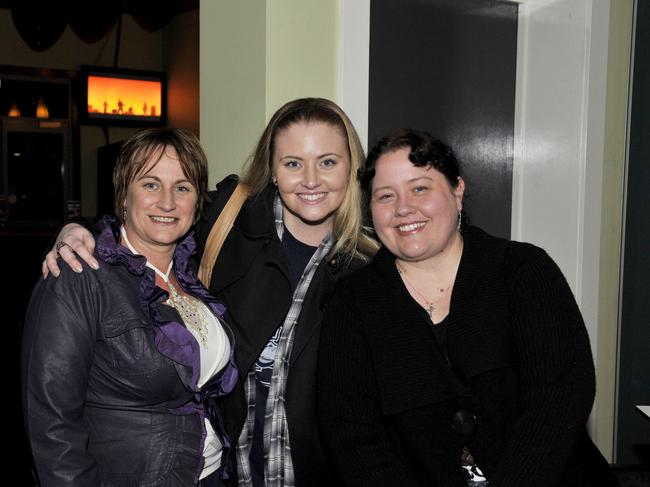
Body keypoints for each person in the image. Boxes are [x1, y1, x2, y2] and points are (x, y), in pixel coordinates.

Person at [41, 98, 379, 486]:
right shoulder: (229, 220)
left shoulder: (368, 267)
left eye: (328, 162)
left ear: (352, 166)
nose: (311, 180)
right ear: (271, 170)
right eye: (292, 163)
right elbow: (153, 219)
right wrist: (75, 228)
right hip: (224, 472)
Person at [317, 129, 619, 487]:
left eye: (420, 188)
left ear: (457, 191)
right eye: (386, 196)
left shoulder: (523, 271)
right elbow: (353, 436)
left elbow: (560, 397)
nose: (403, 208)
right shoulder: (352, 305)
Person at [23, 128, 238, 486]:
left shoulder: (196, 273)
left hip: (211, 474)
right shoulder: (79, 274)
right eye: (150, 184)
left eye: (182, 187)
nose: (167, 202)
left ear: (197, 201)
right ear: (124, 194)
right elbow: (50, 423)